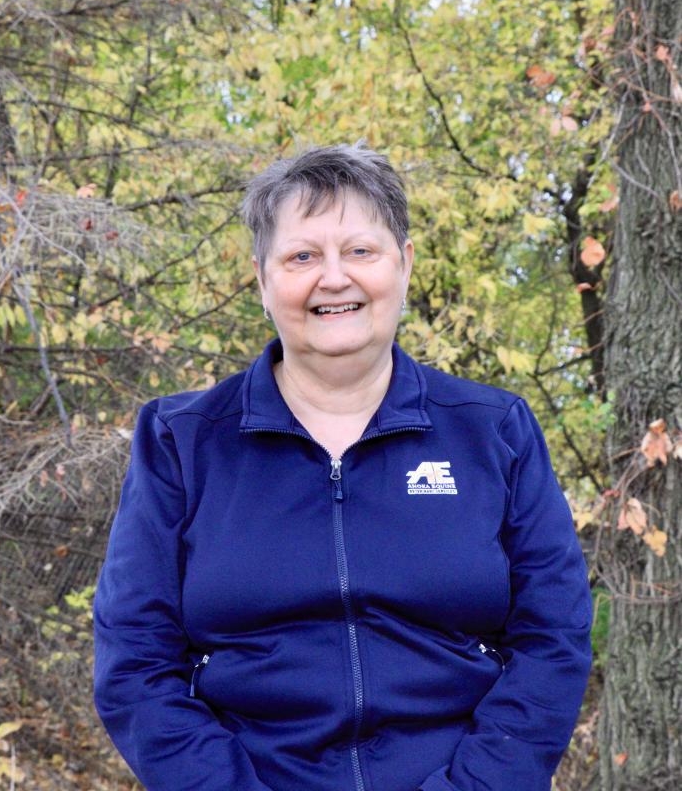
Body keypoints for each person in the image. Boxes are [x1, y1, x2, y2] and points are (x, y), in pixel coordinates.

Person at [93, 141, 592, 791]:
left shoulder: (495, 431)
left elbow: (554, 638)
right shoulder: (181, 442)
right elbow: (135, 665)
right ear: (262, 280)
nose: (333, 278)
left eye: (360, 251)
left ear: (404, 264)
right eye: (302, 256)